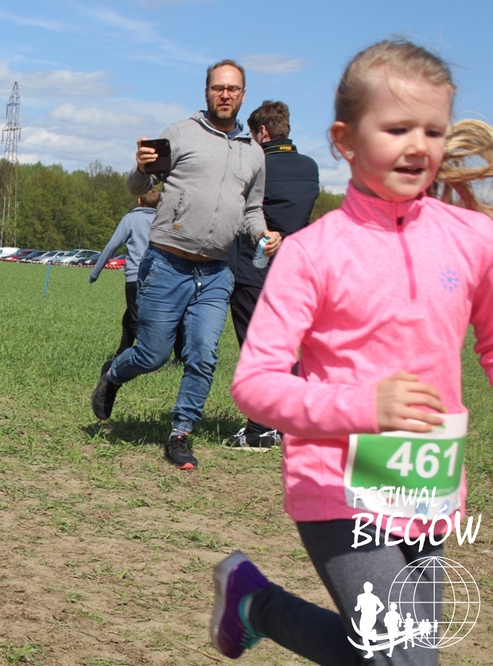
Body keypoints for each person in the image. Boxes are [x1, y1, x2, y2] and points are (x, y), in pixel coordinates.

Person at [209, 40, 493, 665]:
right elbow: (255, 383)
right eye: (396, 129)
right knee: (400, 659)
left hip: (427, 482)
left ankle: (254, 603)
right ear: (346, 140)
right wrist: (365, 408)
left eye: (433, 131)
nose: (418, 146)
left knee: (403, 659)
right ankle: (257, 604)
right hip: (337, 481)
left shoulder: (475, 240)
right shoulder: (313, 253)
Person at [91, 59, 281, 470]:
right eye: (218, 87)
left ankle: (180, 433)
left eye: (232, 88)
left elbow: (251, 210)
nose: (225, 94)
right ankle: (114, 374)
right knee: (153, 355)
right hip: (167, 264)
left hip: (216, 272)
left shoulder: (253, 153)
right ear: (207, 91)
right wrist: (141, 167)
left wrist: (263, 234)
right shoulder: (180, 134)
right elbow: (138, 185)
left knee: (203, 356)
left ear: (243, 95)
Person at [224, 100, 320, 452]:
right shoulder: (309, 166)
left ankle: (260, 429)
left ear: (262, 132)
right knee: (284, 346)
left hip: (254, 268)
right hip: (295, 271)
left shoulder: (257, 164)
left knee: (257, 348)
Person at [88, 189, 161, 358]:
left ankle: (148, 358)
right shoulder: (162, 220)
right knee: (131, 316)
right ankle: (122, 352)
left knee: (136, 319)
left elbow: (112, 246)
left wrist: (95, 273)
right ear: (159, 205)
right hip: (159, 277)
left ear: (139, 201)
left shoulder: (130, 219)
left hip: (135, 277)